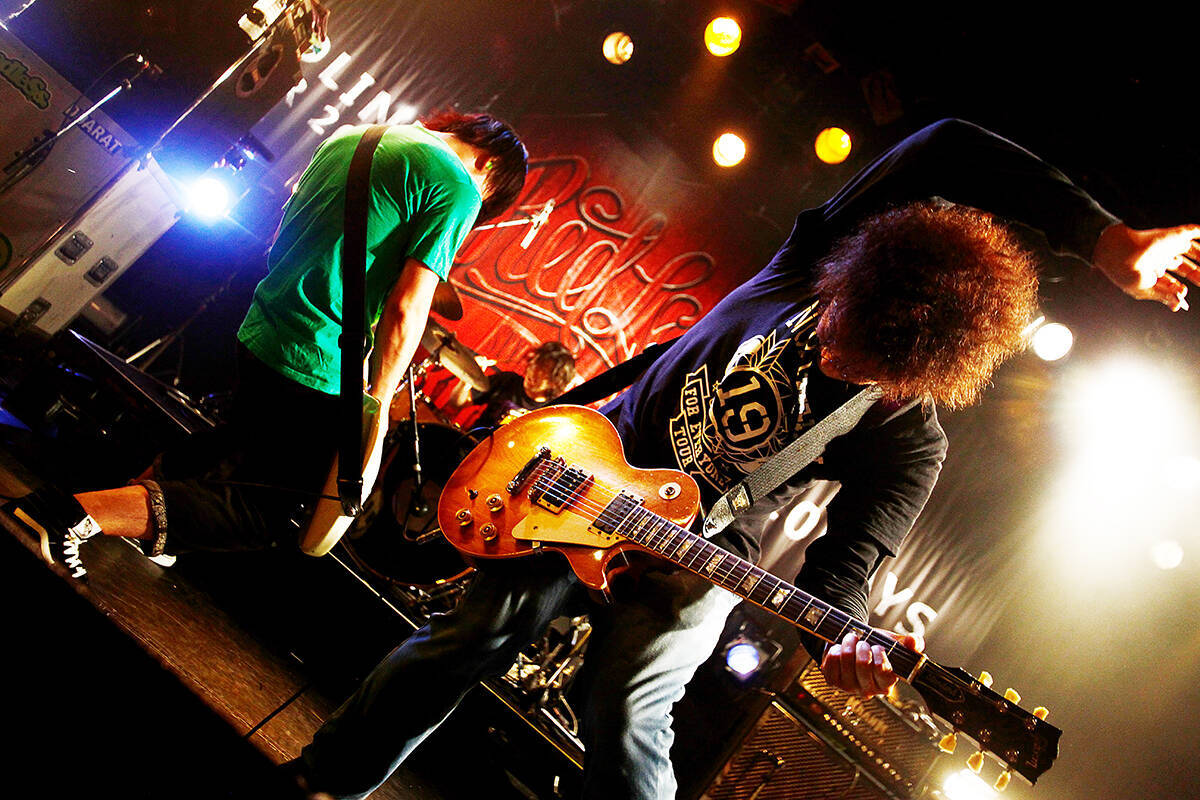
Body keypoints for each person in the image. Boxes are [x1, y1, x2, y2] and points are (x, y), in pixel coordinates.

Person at [284, 118, 1198, 800]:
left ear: (912, 373)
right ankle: (321, 781)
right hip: (578, 470)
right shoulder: (816, 259)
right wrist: (1104, 237)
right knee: (464, 640)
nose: (829, 348)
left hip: (696, 549)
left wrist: (849, 646)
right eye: (836, 321)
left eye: (855, 362)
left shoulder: (908, 441)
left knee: (626, 718)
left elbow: (841, 579)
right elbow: (949, 145)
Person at [5, 110, 529, 578]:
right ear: (488, 166)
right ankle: (67, 513)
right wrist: (380, 400)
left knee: (231, 443)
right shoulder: (459, 186)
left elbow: (288, 229)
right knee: (272, 514)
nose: (476, 205)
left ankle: (130, 521)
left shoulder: (359, 135)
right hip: (320, 355)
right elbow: (409, 306)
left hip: (266, 321)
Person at [468, 340, 577, 428]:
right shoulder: (508, 380)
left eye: (544, 372)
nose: (534, 373)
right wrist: (471, 376)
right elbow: (459, 403)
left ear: (555, 383)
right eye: (536, 364)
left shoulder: (550, 412)